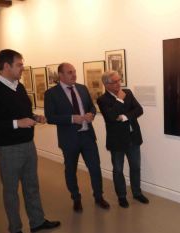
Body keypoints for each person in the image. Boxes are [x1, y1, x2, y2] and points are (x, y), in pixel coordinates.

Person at [0, 49, 60, 233]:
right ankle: (15, 229)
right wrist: (17, 123)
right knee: (11, 190)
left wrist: (34, 118)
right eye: (19, 65)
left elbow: (23, 113)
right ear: (6, 66)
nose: (22, 68)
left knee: (32, 185)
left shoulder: (19, 87)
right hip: (7, 148)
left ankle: (37, 221)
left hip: (27, 145)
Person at [44, 63, 109, 212]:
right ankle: (76, 198)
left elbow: (91, 107)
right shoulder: (51, 94)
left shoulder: (82, 88)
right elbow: (50, 117)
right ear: (60, 75)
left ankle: (99, 196)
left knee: (95, 168)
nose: (74, 75)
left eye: (74, 72)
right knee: (71, 170)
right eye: (69, 72)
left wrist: (91, 114)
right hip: (69, 139)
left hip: (87, 136)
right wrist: (72, 119)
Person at [97, 71, 149, 208]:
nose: (118, 84)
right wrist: (119, 100)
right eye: (114, 82)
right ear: (106, 84)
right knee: (118, 170)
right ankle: (121, 196)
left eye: (119, 80)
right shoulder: (102, 100)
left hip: (133, 138)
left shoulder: (128, 93)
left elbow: (139, 109)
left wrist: (125, 117)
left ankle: (137, 193)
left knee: (135, 167)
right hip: (117, 141)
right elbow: (111, 117)